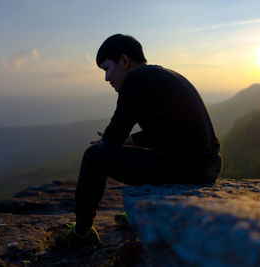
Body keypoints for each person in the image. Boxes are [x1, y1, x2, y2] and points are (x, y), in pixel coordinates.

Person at [56, 34, 222, 250]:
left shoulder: (135, 80)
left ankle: (81, 233)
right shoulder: (163, 75)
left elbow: (113, 137)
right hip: (208, 166)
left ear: (124, 61)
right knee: (140, 154)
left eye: (107, 68)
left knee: (93, 156)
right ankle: (145, 211)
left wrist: (108, 141)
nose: (106, 78)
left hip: (185, 169)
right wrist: (128, 140)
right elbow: (167, 132)